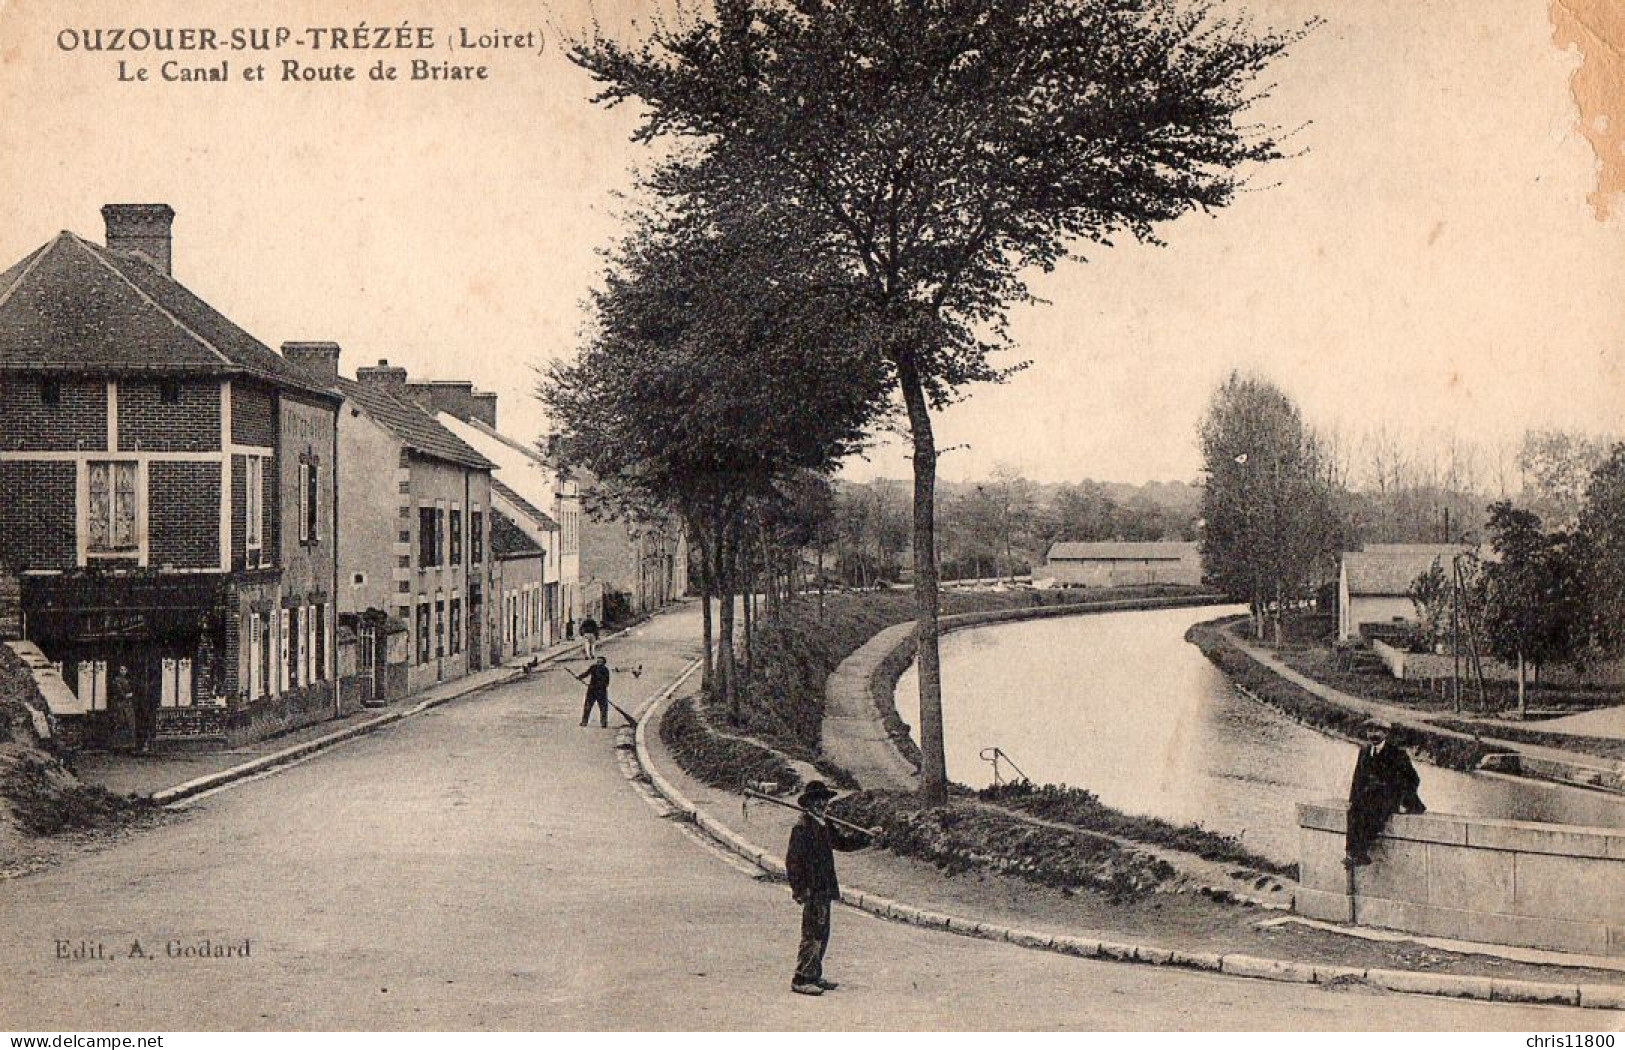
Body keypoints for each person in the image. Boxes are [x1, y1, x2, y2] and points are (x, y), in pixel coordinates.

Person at [785, 780, 875, 997]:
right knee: (812, 934)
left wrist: (867, 837)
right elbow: (793, 862)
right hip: (812, 889)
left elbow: (843, 843)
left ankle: (814, 974)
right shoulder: (802, 828)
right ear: (809, 804)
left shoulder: (824, 824)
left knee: (822, 933)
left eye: (824, 800)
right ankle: (801, 978)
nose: (822, 804)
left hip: (824, 887)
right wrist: (799, 890)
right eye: (818, 800)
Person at [1345, 719, 1425, 866]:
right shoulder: (1364, 752)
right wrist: (1353, 798)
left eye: (1377, 730)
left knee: (1372, 812)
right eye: (1370, 730)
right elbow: (1357, 778)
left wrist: (1402, 800)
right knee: (1354, 811)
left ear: (1386, 733)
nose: (1372, 734)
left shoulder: (1397, 754)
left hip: (1390, 798)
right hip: (1371, 797)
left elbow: (1413, 779)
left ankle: (1360, 852)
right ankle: (1353, 853)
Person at [574, 656, 611, 728]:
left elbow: (606, 682)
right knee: (588, 706)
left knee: (603, 708)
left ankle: (603, 722)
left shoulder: (605, 670)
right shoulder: (594, 667)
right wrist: (580, 677)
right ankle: (584, 722)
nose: (598, 663)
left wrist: (600, 687)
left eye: (600, 662)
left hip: (600, 691)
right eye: (598, 661)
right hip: (593, 690)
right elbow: (586, 673)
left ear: (603, 663)